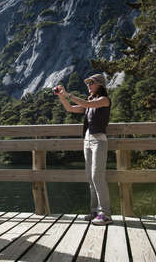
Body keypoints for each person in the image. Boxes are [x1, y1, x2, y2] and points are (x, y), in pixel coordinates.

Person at [54, 74, 112, 225]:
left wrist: (68, 94)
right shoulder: (91, 102)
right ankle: (94, 212)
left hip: (99, 141)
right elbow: (70, 109)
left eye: (91, 83)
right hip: (87, 141)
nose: (88, 85)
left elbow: (86, 105)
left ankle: (105, 214)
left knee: (97, 177)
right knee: (91, 179)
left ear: (100, 85)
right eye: (87, 83)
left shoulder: (104, 100)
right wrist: (62, 96)